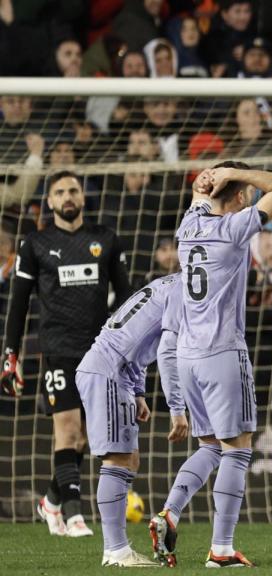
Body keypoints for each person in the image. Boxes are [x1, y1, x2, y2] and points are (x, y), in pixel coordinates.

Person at [148, 161, 272, 568]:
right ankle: (222, 548)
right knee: (237, 451)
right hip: (222, 353)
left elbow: (201, 195)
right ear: (242, 196)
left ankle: (170, 512)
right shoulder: (232, 231)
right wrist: (236, 172)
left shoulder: (188, 227)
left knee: (209, 446)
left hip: (188, 357)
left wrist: (209, 181)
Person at [1, 170, 132, 538]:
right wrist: (10, 354)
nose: (67, 196)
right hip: (57, 350)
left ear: (82, 196)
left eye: (73, 189)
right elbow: (19, 305)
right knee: (67, 430)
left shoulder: (105, 239)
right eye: (59, 191)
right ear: (51, 201)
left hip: (100, 352)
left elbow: (125, 299)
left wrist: (130, 348)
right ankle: (74, 516)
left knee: (86, 438)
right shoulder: (35, 244)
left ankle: (50, 501)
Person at [76, 274, 186, 567]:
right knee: (117, 459)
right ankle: (116, 552)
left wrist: (138, 393)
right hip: (108, 370)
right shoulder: (183, 290)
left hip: (117, 372)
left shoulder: (166, 283)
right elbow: (165, 351)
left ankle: (118, 549)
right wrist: (177, 407)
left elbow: (138, 338)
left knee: (130, 458)